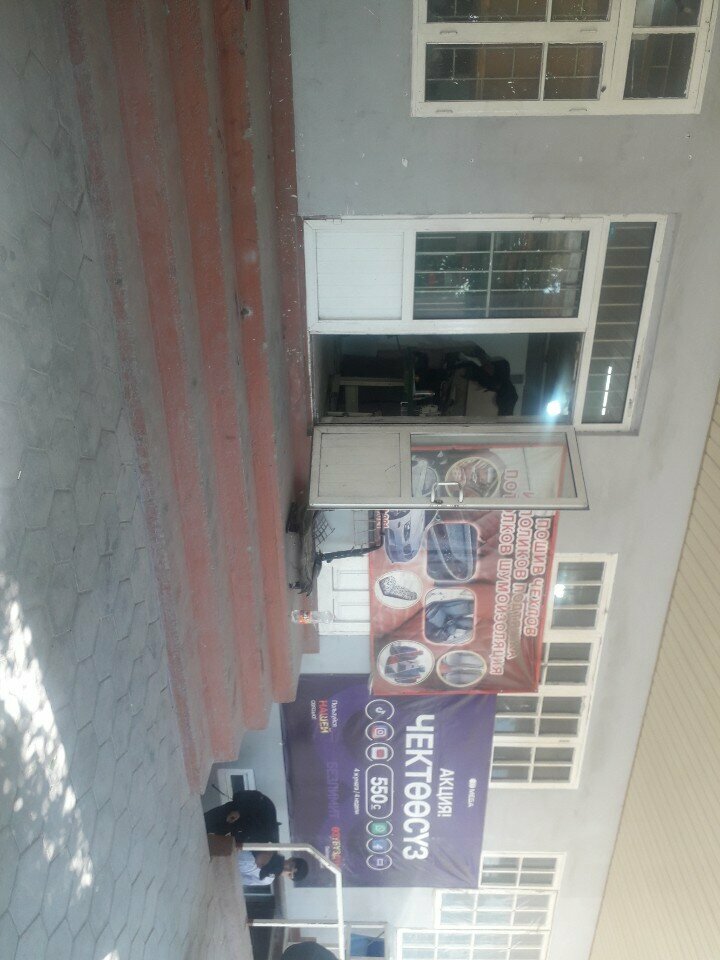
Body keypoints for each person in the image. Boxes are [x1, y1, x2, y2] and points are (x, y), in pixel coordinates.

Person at [204, 789, 281, 843]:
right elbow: (238, 794)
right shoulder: (267, 806)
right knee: (202, 823)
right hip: (224, 813)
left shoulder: (263, 837)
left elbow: (244, 837)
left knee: (204, 841)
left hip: (227, 829)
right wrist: (239, 811)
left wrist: (235, 840)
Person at [237, 849, 309, 887]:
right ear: (291, 858)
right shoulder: (270, 849)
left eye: (289, 874)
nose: (285, 870)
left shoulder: (267, 880)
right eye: (290, 866)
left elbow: (240, 880)